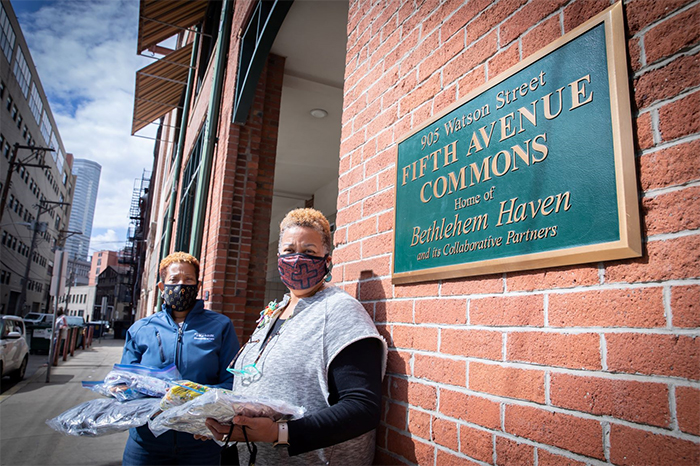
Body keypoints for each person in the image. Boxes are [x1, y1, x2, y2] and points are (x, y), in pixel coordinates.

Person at [204, 208, 388, 465]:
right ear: (278, 257)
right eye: (289, 251)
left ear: (327, 260)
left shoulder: (339, 310)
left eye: (309, 252)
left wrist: (280, 433)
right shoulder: (275, 310)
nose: (298, 259)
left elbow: (362, 408)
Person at [121, 251, 240, 466]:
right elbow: (126, 382)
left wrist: (200, 404)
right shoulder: (141, 329)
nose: (181, 285)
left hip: (200, 442)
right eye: (174, 280)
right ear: (161, 288)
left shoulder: (221, 326)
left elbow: (232, 382)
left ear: (197, 285)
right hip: (146, 443)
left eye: (188, 280)